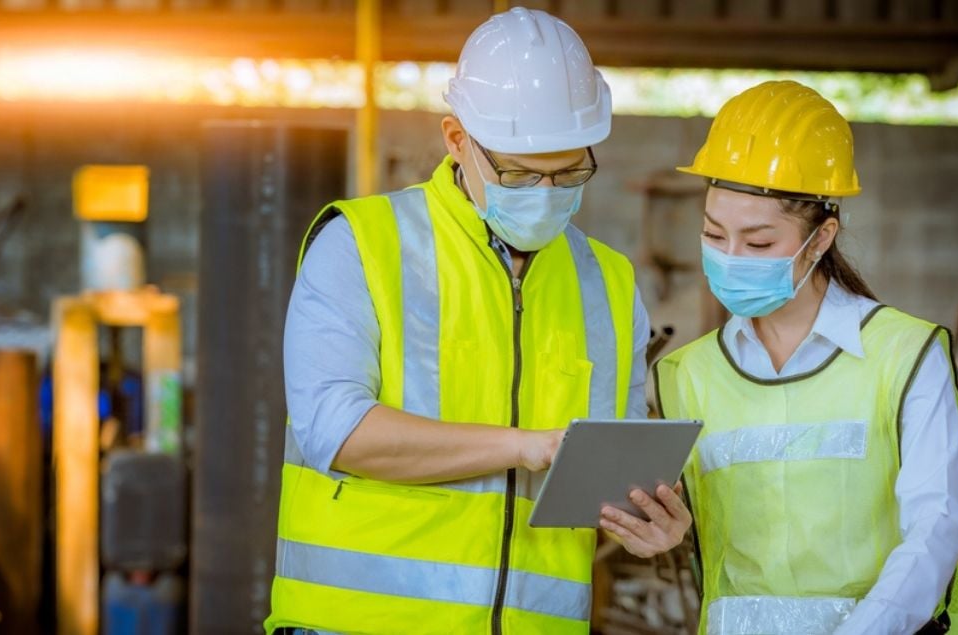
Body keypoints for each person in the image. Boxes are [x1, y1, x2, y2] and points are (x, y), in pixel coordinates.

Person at [264, 7, 691, 634]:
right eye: (519, 173)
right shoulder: (361, 244)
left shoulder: (609, 283)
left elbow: (609, 470)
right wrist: (526, 447)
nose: (546, 192)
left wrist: (651, 524)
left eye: (570, 171)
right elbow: (338, 430)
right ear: (457, 139)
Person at [654, 80, 958, 635]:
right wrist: (670, 532)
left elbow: (935, 529)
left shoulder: (903, 355)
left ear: (822, 237)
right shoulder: (687, 374)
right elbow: (716, 538)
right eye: (714, 233)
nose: (731, 259)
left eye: (758, 244)